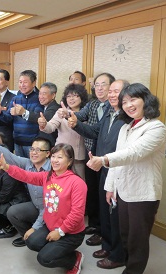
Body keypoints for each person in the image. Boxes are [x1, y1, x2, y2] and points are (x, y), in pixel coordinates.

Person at [86, 83, 166, 274]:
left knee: (137, 240)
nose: (129, 105)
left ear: (145, 100)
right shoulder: (126, 127)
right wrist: (110, 186)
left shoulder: (156, 127)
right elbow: (119, 158)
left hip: (144, 193)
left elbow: (134, 153)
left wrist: (104, 159)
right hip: (123, 190)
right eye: (124, 102)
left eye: (133, 99)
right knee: (125, 236)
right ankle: (127, 264)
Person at [0, 143, 87, 274]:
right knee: (31, 242)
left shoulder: (77, 183)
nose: (55, 160)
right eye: (53, 156)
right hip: (51, 226)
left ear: (70, 161)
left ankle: (74, 260)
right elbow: (26, 175)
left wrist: (60, 232)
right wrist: (6, 167)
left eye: (60, 157)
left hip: (71, 233)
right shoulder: (48, 176)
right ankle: (59, 249)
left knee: (44, 259)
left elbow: (77, 215)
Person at [68, 80, 130, 269]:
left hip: (119, 171)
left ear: (126, 95)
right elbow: (95, 132)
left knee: (116, 215)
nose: (111, 94)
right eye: (109, 91)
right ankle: (108, 246)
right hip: (104, 169)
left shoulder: (128, 118)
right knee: (105, 211)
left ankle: (119, 255)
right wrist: (76, 124)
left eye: (115, 91)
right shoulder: (110, 113)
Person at [60, 72, 115, 246]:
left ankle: (104, 231)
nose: (99, 88)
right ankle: (96, 225)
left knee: (105, 193)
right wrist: (67, 113)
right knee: (93, 192)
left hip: (108, 156)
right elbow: (79, 116)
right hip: (92, 153)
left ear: (112, 88)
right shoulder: (92, 105)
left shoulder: (113, 107)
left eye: (103, 85)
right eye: (96, 85)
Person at [0, 131, 51, 247]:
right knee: (13, 212)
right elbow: (10, 157)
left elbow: (48, 207)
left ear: (48, 153)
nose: (33, 153)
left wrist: (34, 228)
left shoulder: (53, 169)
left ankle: (37, 234)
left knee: (38, 243)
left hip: (51, 210)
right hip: (35, 206)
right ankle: (25, 236)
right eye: (32, 149)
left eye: (38, 150)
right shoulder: (28, 164)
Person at [39, 83, 88, 180]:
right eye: (68, 96)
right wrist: (44, 124)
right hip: (61, 155)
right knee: (59, 182)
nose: (71, 99)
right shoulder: (61, 112)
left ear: (82, 97)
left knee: (79, 182)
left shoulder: (87, 113)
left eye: (75, 96)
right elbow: (51, 127)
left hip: (79, 157)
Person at [0, 70, 43, 158]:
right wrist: (0, 113)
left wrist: (22, 112)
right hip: (17, 142)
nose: (22, 85)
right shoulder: (15, 99)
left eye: (25, 82)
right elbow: (8, 118)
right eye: (20, 82)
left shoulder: (39, 99)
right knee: (19, 168)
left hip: (33, 143)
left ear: (34, 83)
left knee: (31, 168)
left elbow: (38, 118)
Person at [28, 82, 60, 147]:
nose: (41, 97)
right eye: (40, 93)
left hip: (50, 145)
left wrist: (24, 113)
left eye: (44, 94)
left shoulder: (55, 108)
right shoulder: (42, 106)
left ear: (53, 95)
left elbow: (44, 118)